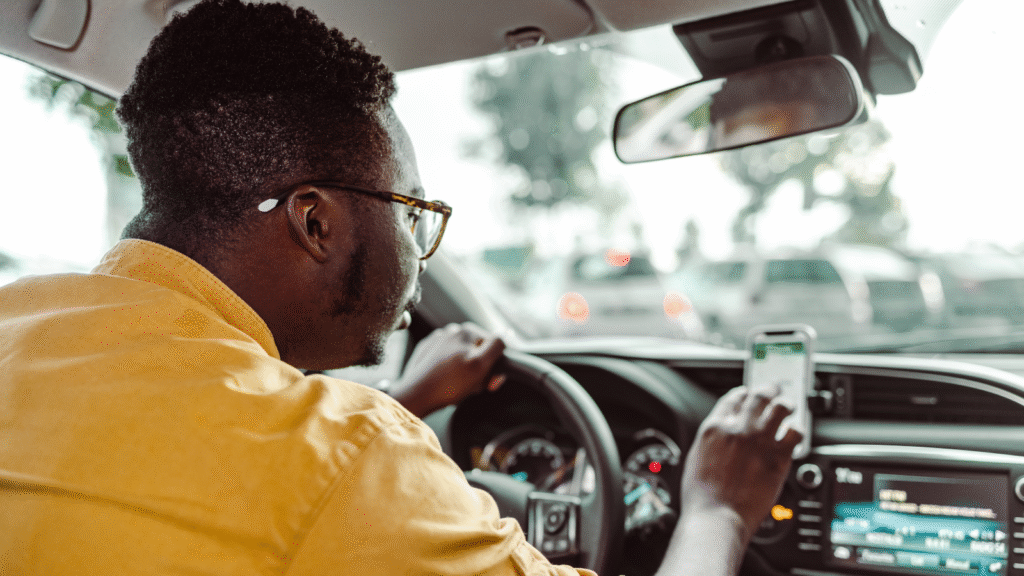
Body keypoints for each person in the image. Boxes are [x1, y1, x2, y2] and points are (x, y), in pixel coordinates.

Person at [0, 0, 801, 574]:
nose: (420, 249)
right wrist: (719, 509)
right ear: (316, 224)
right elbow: (311, 479)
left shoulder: (17, 324)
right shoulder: (353, 462)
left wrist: (406, 401)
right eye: (413, 210)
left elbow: (197, 452)